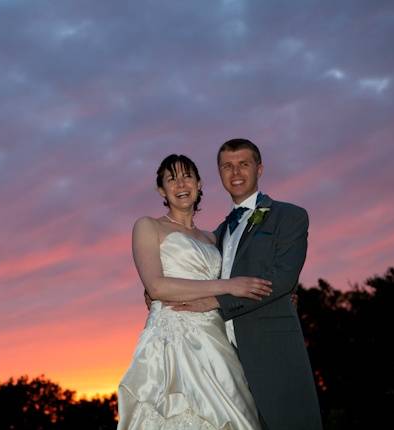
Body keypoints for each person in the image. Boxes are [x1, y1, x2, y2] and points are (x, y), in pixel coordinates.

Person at [170, 139, 323, 429]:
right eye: (227, 166)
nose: (235, 171)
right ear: (219, 173)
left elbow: (283, 278)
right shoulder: (218, 233)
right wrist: (159, 286)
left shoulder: (289, 216)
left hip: (272, 348)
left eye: (243, 164)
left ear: (259, 169)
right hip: (223, 357)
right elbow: (194, 271)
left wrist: (217, 301)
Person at [117, 154, 272, 429]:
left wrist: (278, 297)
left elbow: (249, 276)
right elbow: (156, 286)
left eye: (187, 176)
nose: (181, 184)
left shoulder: (214, 238)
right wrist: (227, 286)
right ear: (161, 190)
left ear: (199, 184)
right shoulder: (148, 226)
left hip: (216, 338)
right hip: (172, 338)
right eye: (171, 179)